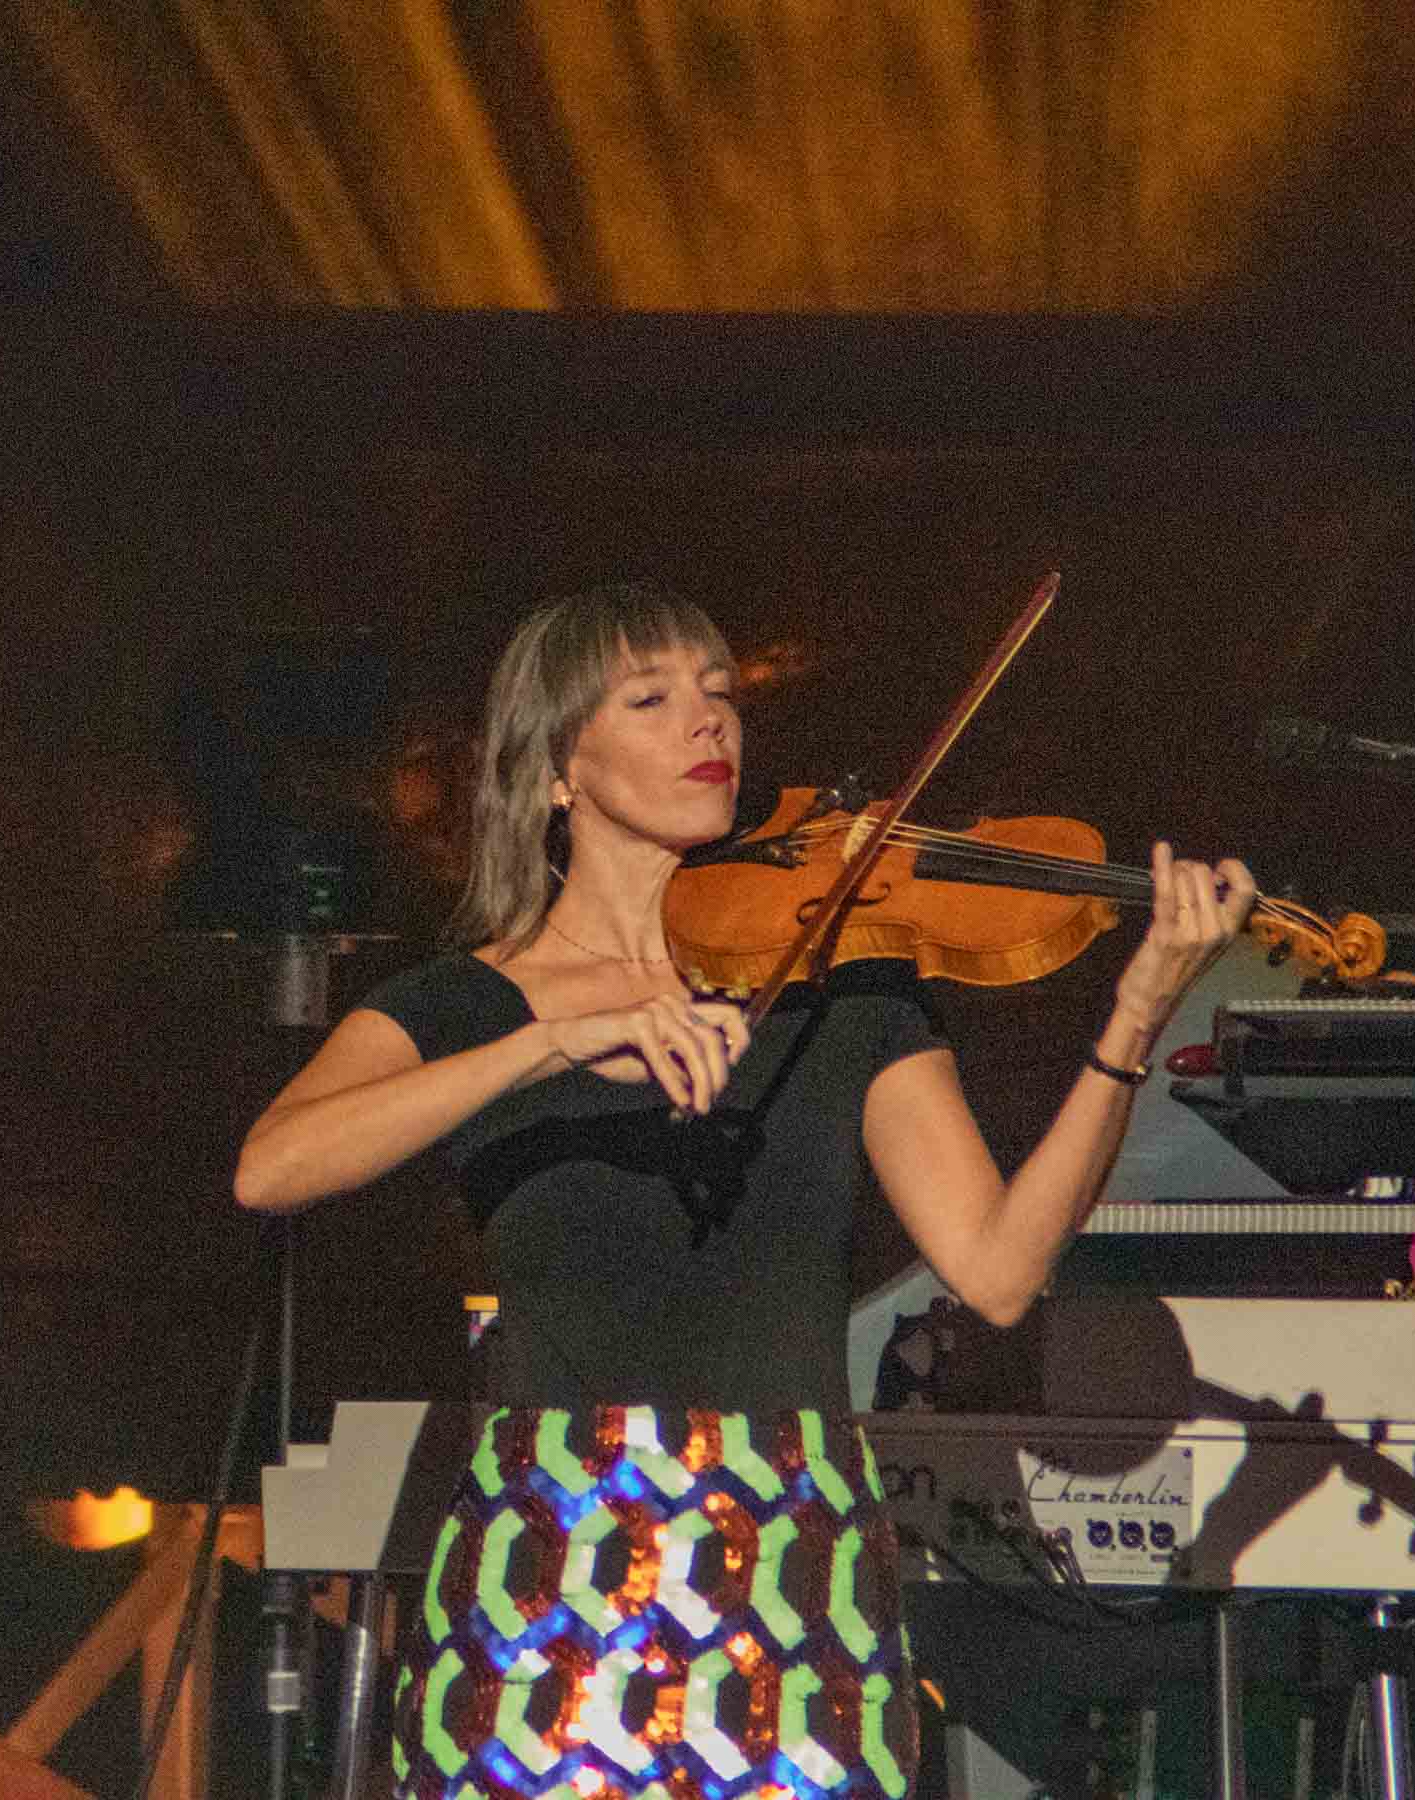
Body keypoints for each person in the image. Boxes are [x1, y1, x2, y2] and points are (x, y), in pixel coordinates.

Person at [231, 581, 1254, 1799]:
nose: (707, 720)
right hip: (553, 1551)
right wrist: (547, 1043)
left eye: (718, 694)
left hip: (792, 1540)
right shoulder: (463, 1004)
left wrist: (1133, 1018)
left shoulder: (848, 990)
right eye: (651, 699)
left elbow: (997, 1270)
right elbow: (272, 1167)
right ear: (555, 771)